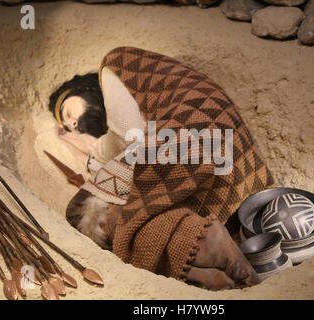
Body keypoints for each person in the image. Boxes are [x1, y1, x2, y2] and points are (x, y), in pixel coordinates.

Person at [48, 47, 275, 290]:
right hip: (228, 160)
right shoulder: (148, 82)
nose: (72, 124)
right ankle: (206, 247)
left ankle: (206, 250)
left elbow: (130, 136)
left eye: (67, 112)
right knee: (144, 214)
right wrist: (95, 149)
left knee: (82, 210)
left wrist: (93, 149)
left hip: (192, 137)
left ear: (84, 89)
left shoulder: (114, 64)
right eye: (69, 126)